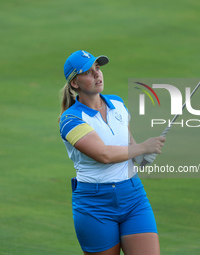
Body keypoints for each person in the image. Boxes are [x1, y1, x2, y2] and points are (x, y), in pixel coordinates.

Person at [59, 50, 165, 255]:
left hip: (133, 196)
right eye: (88, 72)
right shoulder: (70, 119)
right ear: (75, 83)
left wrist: (142, 157)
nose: (97, 74)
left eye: (97, 68)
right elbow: (104, 155)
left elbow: (130, 148)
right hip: (94, 204)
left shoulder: (117, 104)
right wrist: (143, 147)